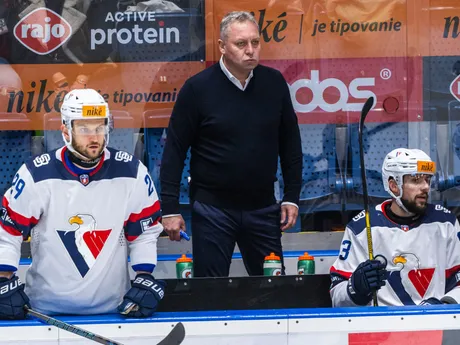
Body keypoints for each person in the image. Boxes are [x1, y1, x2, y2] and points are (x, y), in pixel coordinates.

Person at [160, 11, 302, 277]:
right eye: (241, 44)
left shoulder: (275, 83)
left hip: (262, 208)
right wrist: (169, 209)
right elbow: (175, 150)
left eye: (255, 43)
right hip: (212, 210)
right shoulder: (197, 88)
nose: (250, 51)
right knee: (210, 295)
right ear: (222, 47)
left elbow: (291, 144)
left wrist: (292, 197)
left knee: (273, 294)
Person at [0, 89, 165, 319]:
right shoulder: (35, 174)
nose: (94, 137)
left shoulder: (132, 172)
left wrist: (144, 276)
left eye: (99, 127)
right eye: (84, 129)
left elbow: (144, 232)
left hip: (113, 312)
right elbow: (8, 232)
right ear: (66, 131)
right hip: (45, 313)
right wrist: (4, 278)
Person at [330, 148, 460, 307]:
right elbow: (337, 299)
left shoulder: (446, 223)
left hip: (434, 327)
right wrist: (355, 289)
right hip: (381, 328)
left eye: (427, 179)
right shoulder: (362, 227)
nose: (425, 187)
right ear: (393, 186)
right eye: (416, 179)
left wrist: (444, 305)